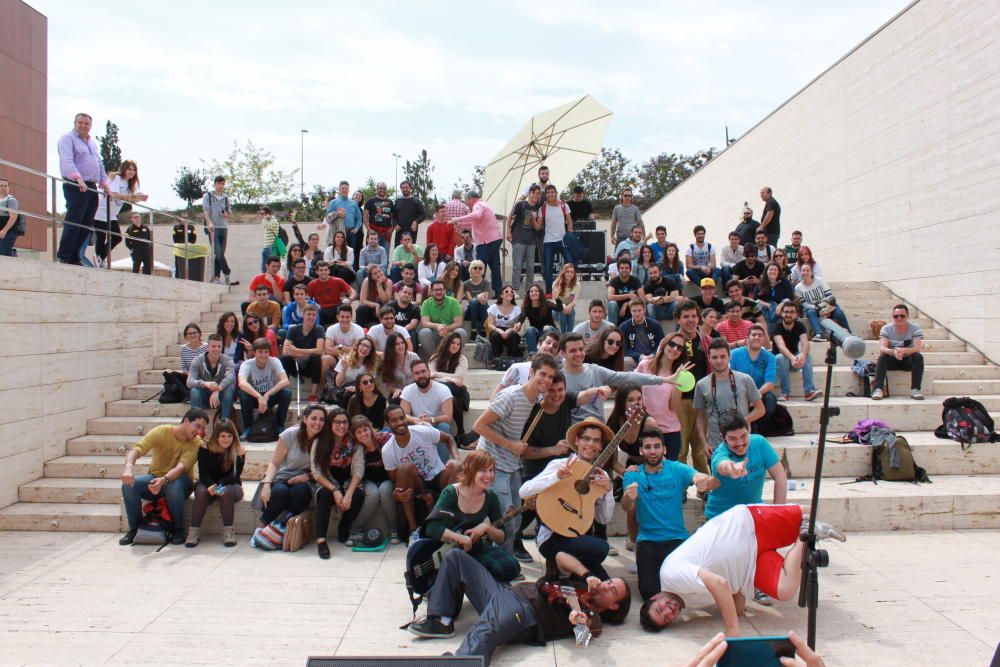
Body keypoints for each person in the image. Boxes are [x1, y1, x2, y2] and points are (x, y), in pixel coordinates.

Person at [642, 503, 846, 635]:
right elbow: (731, 591)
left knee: (805, 512)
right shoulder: (690, 602)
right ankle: (807, 535)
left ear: (654, 597)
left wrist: (732, 630)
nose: (670, 610)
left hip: (747, 526)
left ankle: (806, 526)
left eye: (661, 608)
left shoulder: (669, 575)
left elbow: (719, 584)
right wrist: (737, 610)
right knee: (785, 591)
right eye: (669, 617)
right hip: (751, 566)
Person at [408, 548, 631, 666]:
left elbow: (585, 635)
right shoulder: (581, 585)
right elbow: (561, 557)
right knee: (455, 557)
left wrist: (579, 620)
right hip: (506, 592)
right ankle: (441, 620)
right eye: (609, 582)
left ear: (613, 606)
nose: (605, 587)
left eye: (612, 591)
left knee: (487, 630)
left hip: (524, 612)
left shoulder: (593, 616)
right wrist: (588, 574)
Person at [514, 373, 609, 561]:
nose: (557, 395)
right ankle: (517, 540)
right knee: (539, 503)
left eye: (561, 390)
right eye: (551, 390)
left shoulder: (565, 402)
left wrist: (598, 390)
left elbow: (583, 395)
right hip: (542, 467)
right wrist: (554, 460)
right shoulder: (535, 413)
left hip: (567, 467)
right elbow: (524, 453)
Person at [473, 354, 559, 552]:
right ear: (531, 373)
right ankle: (504, 567)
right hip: (493, 464)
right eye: (542, 374)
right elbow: (479, 426)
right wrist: (510, 445)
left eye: (550, 377)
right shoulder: (511, 396)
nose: (546, 380)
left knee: (516, 518)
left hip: (512, 464)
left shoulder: (535, 399)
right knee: (506, 521)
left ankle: (500, 557)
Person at [518, 418, 616, 577]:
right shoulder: (561, 465)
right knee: (601, 548)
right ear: (577, 440)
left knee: (604, 585)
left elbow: (603, 519)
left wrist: (608, 490)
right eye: (586, 438)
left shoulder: (601, 476)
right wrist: (557, 477)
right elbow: (524, 491)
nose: (590, 444)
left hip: (579, 537)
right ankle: (564, 568)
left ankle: (564, 573)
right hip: (552, 537)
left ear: (601, 447)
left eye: (596, 441)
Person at [622, 430, 713, 600]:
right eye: (648, 447)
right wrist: (628, 496)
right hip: (648, 540)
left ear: (664, 449)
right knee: (649, 593)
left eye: (657, 446)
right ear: (641, 451)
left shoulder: (677, 469)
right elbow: (626, 506)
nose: (653, 451)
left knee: (688, 585)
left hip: (676, 538)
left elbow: (697, 476)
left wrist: (701, 479)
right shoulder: (632, 474)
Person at [421, 450, 520, 583]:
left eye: (491, 470)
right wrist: (460, 538)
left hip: (474, 548)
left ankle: (473, 579)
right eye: (483, 471)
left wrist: (486, 528)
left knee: (511, 566)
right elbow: (431, 528)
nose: (489, 475)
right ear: (471, 471)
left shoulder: (490, 496)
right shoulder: (451, 492)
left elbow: (502, 537)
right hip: (446, 551)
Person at [118, 408, 207, 545]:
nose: (199, 431)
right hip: (155, 478)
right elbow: (136, 450)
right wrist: (128, 468)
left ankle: (178, 529)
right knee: (128, 485)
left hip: (180, 482)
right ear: (186, 420)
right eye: (197, 426)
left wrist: (164, 480)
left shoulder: (196, 442)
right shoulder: (161, 431)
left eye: (202, 428)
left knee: (173, 485)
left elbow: (181, 467)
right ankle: (135, 529)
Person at [382, 404, 460, 541]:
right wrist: (397, 493)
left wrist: (457, 457)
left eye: (401, 418)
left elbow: (449, 439)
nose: (400, 422)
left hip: (438, 477)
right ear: (388, 424)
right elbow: (396, 481)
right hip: (417, 485)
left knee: (455, 465)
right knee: (404, 468)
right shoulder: (387, 450)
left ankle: (450, 523)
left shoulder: (422, 431)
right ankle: (414, 530)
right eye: (394, 420)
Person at [559, 333, 670, 422]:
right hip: (572, 434)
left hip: (599, 430)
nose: (578, 353)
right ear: (563, 353)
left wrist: (662, 379)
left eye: (581, 349)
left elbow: (627, 377)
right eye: (573, 350)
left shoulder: (594, 370)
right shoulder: (558, 378)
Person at [255, 404, 325, 535]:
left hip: (306, 479)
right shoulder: (290, 434)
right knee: (280, 492)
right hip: (282, 477)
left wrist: (308, 477)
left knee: (301, 491)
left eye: (321, 420)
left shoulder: (324, 440)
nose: (317, 423)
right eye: (314, 418)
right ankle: (263, 526)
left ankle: (288, 529)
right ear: (305, 419)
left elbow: (323, 468)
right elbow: (274, 463)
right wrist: (266, 484)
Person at [704, 414, 786, 521]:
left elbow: (780, 476)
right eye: (733, 438)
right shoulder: (719, 455)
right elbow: (724, 466)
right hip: (721, 518)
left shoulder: (759, 443)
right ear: (723, 438)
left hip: (753, 514)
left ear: (749, 430)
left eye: (744, 436)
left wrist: (778, 515)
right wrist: (733, 469)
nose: (740, 443)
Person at [694, 338, 765, 455]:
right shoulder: (702, 384)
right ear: (709, 358)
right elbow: (700, 417)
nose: (719, 361)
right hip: (716, 446)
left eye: (723, 357)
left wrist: (740, 422)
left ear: (729, 356)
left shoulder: (745, 379)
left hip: (742, 444)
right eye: (715, 357)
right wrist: (703, 442)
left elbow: (760, 409)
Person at [56, 113, 110, 265]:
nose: (83, 126)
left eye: (86, 123)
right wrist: (78, 179)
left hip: (91, 186)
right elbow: (67, 160)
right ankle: (64, 255)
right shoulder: (67, 138)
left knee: (86, 223)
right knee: (74, 221)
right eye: (80, 122)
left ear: (90, 126)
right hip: (76, 184)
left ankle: (75, 256)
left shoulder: (91, 143)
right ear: (75, 123)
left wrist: (104, 183)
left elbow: (99, 163)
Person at [310, 406, 364, 556]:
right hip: (327, 481)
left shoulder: (354, 442)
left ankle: (344, 527)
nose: (342, 426)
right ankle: (321, 539)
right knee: (325, 495)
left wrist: (348, 494)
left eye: (345, 422)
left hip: (347, 481)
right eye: (337, 422)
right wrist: (334, 490)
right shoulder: (320, 441)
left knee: (357, 496)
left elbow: (358, 470)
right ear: (330, 423)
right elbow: (316, 472)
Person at [186, 419, 246, 548]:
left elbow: (234, 476)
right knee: (201, 491)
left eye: (229, 436)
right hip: (208, 484)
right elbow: (203, 474)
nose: (226, 439)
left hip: (231, 485)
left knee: (224, 491)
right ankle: (193, 531)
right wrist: (211, 486)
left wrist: (218, 486)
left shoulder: (239, 450)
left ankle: (228, 531)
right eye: (223, 436)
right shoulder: (205, 448)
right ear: (216, 436)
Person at [636, 333, 695, 463]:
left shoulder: (678, 374)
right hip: (646, 428)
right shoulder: (645, 365)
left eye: (679, 348)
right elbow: (632, 388)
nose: (674, 349)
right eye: (672, 344)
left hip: (669, 430)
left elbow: (673, 407)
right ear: (664, 344)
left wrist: (679, 382)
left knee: (669, 474)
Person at [673, 300, 713, 473]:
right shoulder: (670, 343)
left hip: (702, 402)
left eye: (693, 316)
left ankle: (704, 488)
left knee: (700, 450)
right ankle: (680, 487)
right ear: (677, 320)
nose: (690, 320)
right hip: (679, 402)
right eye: (685, 316)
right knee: (680, 449)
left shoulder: (707, 342)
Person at [350, 416, 399, 543]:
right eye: (359, 432)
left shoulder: (385, 438)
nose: (363, 434)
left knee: (384, 490)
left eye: (365, 430)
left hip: (388, 478)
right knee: (372, 494)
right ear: (355, 435)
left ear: (370, 429)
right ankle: (355, 530)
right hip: (369, 481)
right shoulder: (357, 448)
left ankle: (394, 529)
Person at [93, 159, 148, 268]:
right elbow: (114, 194)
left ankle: (100, 258)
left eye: (134, 170)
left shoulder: (129, 185)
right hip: (101, 209)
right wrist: (133, 197)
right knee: (104, 236)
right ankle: (100, 258)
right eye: (129, 169)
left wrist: (139, 198)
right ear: (124, 169)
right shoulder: (117, 178)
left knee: (115, 237)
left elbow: (128, 199)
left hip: (111, 213)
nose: (131, 172)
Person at [237, 339, 292, 439]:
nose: (264, 355)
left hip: (269, 396)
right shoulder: (247, 364)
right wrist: (259, 396)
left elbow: (285, 381)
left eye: (266, 352)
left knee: (286, 393)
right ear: (254, 352)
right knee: (242, 393)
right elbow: (242, 383)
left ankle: (280, 426)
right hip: (254, 397)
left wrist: (267, 395)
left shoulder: (274, 361)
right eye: (260, 352)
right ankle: (248, 427)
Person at [451, 191, 503, 294]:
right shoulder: (484, 204)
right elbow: (472, 221)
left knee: (479, 267)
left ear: (471, 198)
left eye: (466, 201)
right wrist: (458, 222)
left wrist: (458, 218)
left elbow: (476, 215)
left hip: (486, 242)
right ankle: (498, 292)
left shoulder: (478, 205)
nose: (467, 203)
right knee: (495, 267)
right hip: (493, 239)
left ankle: (479, 291)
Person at [401, 359, 455, 454]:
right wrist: (415, 420)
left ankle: (442, 467)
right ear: (413, 376)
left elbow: (448, 417)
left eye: (423, 371)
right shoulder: (408, 390)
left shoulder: (443, 389)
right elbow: (403, 414)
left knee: (445, 427)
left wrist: (431, 420)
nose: (421, 375)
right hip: (416, 426)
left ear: (429, 372)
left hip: (436, 426)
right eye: (417, 373)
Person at [772, 301, 822, 401]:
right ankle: (785, 392)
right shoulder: (776, 327)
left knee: (807, 356)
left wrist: (802, 355)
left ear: (796, 315)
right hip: (778, 362)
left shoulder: (800, 326)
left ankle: (809, 391)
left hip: (794, 360)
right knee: (782, 357)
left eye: (791, 312)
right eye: (786, 312)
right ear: (782, 314)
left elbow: (805, 343)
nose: (788, 314)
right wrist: (792, 358)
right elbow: (781, 346)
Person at [490, 330, 562, 400]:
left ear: (557, 354)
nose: (550, 346)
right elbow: (495, 397)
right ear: (538, 345)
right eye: (548, 342)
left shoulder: (556, 377)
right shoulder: (517, 368)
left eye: (555, 346)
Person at [873, 304, 925, 401]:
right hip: (892, 359)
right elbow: (882, 348)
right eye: (896, 316)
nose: (899, 318)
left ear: (907, 316)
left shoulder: (915, 328)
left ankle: (915, 390)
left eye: (902, 316)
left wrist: (904, 350)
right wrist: (893, 352)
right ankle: (878, 389)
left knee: (918, 356)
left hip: (907, 360)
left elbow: (917, 348)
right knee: (882, 357)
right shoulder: (886, 328)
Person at [794, 263, 851, 341]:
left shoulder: (819, 281)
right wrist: (818, 308)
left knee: (838, 312)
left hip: (827, 305)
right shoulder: (798, 288)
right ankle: (819, 333)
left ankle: (849, 333)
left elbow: (829, 296)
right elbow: (805, 304)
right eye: (803, 270)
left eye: (808, 270)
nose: (805, 272)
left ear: (811, 273)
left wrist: (825, 309)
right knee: (809, 312)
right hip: (814, 308)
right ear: (800, 272)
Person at [281, 304, 325, 402]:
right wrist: (302, 354)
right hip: (295, 363)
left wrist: (296, 350)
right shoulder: (293, 329)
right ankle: (284, 390)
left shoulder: (319, 329)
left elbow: (319, 350)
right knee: (284, 358)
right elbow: (285, 351)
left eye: (314, 315)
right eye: (309, 314)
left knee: (316, 358)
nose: (311, 317)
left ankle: (313, 394)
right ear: (303, 315)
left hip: (310, 365)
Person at [429, 332, 470, 435]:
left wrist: (437, 376)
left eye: (458, 344)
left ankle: (461, 432)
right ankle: (461, 433)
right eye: (453, 343)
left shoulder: (462, 359)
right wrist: (450, 378)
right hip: (442, 392)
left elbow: (458, 377)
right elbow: (430, 376)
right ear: (446, 343)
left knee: (453, 388)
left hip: (459, 392)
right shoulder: (434, 358)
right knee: (450, 394)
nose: (456, 346)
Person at [187, 334, 236, 421]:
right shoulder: (197, 360)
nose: (216, 349)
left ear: (222, 347)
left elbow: (231, 377)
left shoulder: (227, 360)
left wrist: (218, 388)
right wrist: (205, 384)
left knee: (228, 390)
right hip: (204, 395)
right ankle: (195, 422)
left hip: (220, 397)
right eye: (213, 346)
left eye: (219, 346)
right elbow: (189, 382)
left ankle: (224, 423)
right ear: (207, 347)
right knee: (194, 391)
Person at [538, 185, 575, 294]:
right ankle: (549, 292)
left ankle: (570, 289)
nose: (550, 194)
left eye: (552, 192)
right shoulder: (542, 208)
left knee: (570, 264)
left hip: (562, 240)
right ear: (545, 194)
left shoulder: (564, 205)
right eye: (547, 192)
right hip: (548, 242)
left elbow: (569, 221)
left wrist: (569, 235)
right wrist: (531, 219)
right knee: (548, 269)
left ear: (556, 193)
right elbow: (538, 225)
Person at [418, 280, 468, 359]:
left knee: (461, 332)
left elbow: (458, 323)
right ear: (431, 292)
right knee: (424, 332)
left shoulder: (453, 302)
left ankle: (453, 358)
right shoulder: (426, 303)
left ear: (445, 291)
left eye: (441, 289)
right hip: (434, 334)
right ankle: (435, 358)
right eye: (436, 290)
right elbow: (425, 322)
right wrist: (438, 326)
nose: (439, 292)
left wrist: (446, 328)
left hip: (450, 333)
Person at [507, 184, 542, 293]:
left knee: (531, 268)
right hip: (518, 239)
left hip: (531, 240)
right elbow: (509, 217)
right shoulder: (520, 204)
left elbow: (537, 228)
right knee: (517, 265)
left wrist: (533, 219)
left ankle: (530, 290)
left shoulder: (539, 207)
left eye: (537, 193)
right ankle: (515, 289)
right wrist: (508, 231)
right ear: (529, 193)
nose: (535, 195)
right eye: (533, 193)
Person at [202, 176, 235, 285]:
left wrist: (226, 214)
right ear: (215, 184)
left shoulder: (225, 198)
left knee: (219, 254)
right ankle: (227, 272)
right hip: (213, 229)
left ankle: (216, 277)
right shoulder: (208, 196)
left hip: (223, 228)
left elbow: (229, 213)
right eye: (219, 183)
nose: (221, 186)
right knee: (218, 252)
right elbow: (205, 211)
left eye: (222, 184)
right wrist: (209, 222)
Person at [619, 298, 665, 368]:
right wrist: (640, 356)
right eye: (634, 311)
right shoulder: (624, 326)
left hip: (652, 357)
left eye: (639, 310)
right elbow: (623, 348)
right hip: (634, 358)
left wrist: (653, 354)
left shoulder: (655, 325)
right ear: (630, 311)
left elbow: (662, 344)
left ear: (644, 310)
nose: (637, 314)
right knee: (625, 361)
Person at [308, 261, 356, 327]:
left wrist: (349, 299)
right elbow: (308, 299)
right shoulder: (312, 284)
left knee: (345, 305)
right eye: (321, 270)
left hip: (336, 307)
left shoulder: (338, 281)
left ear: (329, 271)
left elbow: (352, 292)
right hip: (321, 310)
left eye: (325, 270)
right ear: (317, 272)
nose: (323, 272)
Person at [334, 336, 380, 403]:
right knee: (349, 395)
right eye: (363, 345)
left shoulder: (372, 365)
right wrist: (344, 368)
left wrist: (357, 389)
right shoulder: (345, 359)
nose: (364, 348)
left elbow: (371, 385)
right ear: (357, 346)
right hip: (345, 390)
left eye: (368, 347)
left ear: (371, 351)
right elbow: (338, 383)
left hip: (362, 390)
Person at [378, 332, 421, 400]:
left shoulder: (413, 356)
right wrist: (395, 390)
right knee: (394, 400)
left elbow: (422, 373)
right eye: (397, 344)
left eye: (402, 343)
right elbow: (387, 384)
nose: (401, 346)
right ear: (391, 346)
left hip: (416, 389)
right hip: (400, 392)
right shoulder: (387, 360)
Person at [519, 283, 558, 354]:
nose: (534, 293)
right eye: (531, 291)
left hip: (551, 331)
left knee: (546, 328)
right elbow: (521, 317)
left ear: (540, 293)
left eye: (536, 291)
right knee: (530, 329)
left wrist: (557, 298)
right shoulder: (527, 307)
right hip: (538, 333)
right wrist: (518, 323)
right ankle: (532, 355)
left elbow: (559, 308)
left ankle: (548, 353)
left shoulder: (547, 303)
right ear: (528, 294)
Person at [487, 285, 523, 360]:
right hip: (497, 330)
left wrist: (509, 330)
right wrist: (499, 331)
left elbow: (518, 327)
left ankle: (512, 358)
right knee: (495, 335)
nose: (509, 293)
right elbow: (489, 324)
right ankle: (496, 358)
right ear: (501, 295)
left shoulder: (517, 309)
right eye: (506, 291)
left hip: (511, 330)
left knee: (514, 335)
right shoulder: (494, 307)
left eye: (511, 292)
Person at [607, 258, 644, 325]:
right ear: (618, 270)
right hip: (617, 310)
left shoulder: (635, 281)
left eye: (626, 268)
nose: (624, 270)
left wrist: (626, 304)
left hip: (632, 309)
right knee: (612, 303)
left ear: (630, 269)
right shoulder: (614, 281)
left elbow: (642, 298)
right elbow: (610, 297)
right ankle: (612, 329)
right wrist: (628, 295)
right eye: (622, 268)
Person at [462, 260, 491, 339]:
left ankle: (481, 328)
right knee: (474, 302)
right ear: (470, 269)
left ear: (483, 271)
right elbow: (470, 301)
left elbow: (485, 299)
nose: (477, 270)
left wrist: (479, 298)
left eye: (480, 268)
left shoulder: (485, 282)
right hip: (472, 310)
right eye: (475, 268)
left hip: (483, 309)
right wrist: (478, 296)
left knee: (483, 303)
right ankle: (474, 328)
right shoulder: (466, 284)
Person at [364, 181, 395, 256]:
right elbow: (365, 216)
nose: (382, 190)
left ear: (386, 190)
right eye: (380, 188)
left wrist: (392, 228)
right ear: (377, 189)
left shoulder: (390, 202)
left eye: (384, 188)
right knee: (371, 254)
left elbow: (393, 216)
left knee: (385, 253)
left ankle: (384, 267)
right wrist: (369, 229)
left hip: (386, 231)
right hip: (373, 231)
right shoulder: (370, 201)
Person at [394, 180, 427, 247]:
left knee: (410, 251)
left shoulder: (416, 201)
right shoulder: (397, 201)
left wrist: (416, 221)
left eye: (407, 187)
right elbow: (394, 215)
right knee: (398, 250)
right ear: (401, 189)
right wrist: (395, 224)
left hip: (412, 232)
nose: (405, 189)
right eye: (403, 188)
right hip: (399, 232)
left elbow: (423, 215)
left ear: (410, 188)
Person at [552, 263, 580, 333]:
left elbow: (574, 301)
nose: (570, 274)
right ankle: (563, 334)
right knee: (562, 311)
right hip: (556, 310)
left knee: (572, 311)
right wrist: (563, 306)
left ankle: (569, 334)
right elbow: (554, 300)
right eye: (567, 271)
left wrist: (570, 306)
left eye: (572, 272)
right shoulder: (556, 283)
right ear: (563, 273)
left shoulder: (577, 285)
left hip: (569, 309)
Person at [0, 177, 22, 257]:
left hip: (8, 233)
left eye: (5, 186)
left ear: (8, 188)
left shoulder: (11, 200)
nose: (3, 188)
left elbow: (13, 217)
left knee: (4, 255)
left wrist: (4, 230)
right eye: (1, 185)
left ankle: (13, 254)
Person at [257, 206, 281, 272]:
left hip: (271, 247)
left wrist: (264, 219)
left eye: (262, 214)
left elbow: (268, 226)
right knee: (264, 268)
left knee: (272, 268)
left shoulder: (273, 220)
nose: (261, 215)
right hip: (267, 247)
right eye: (260, 213)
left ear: (267, 214)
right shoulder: (268, 220)